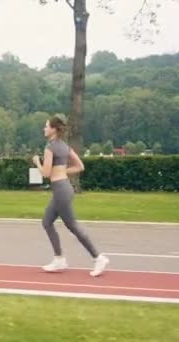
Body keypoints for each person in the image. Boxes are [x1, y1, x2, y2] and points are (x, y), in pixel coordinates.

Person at [32, 114, 109, 277]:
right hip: (64, 188)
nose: (44, 128)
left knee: (72, 225)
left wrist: (36, 162)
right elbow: (80, 166)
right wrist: (62, 171)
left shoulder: (50, 147)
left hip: (61, 190)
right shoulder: (64, 146)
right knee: (47, 222)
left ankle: (98, 257)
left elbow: (45, 173)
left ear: (53, 129)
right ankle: (59, 259)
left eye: (46, 126)